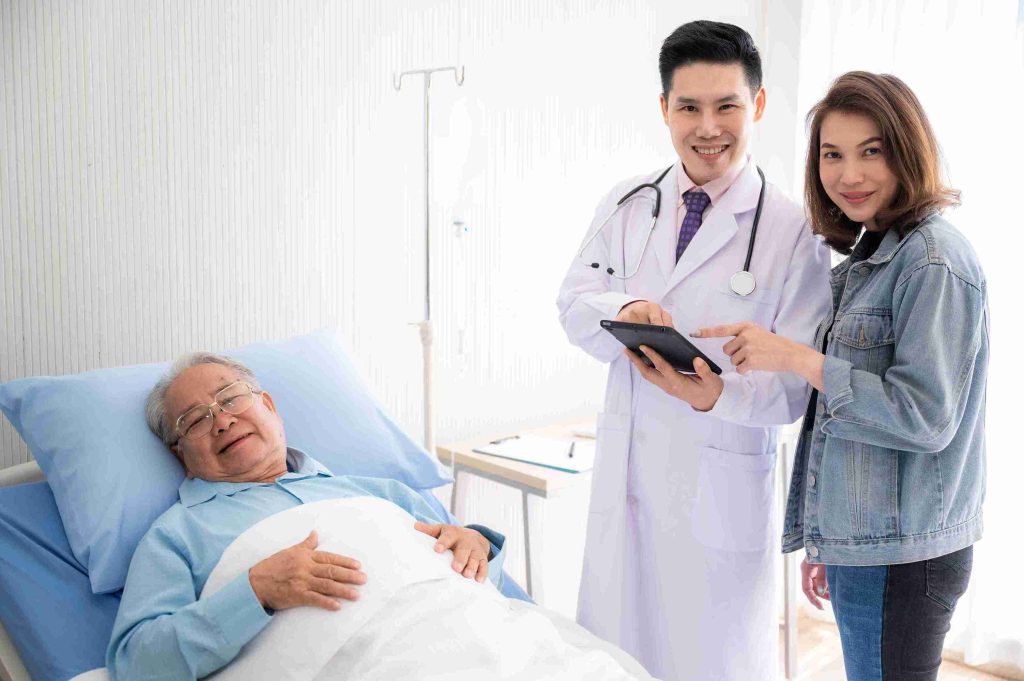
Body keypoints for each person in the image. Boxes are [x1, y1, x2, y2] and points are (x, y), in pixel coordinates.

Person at [556, 20, 831, 680]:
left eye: (727, 106)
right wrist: (623, 310)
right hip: (626, 474)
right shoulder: (628, 202)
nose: (708, 127)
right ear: (664, 110)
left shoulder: (794, 231)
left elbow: (794, 385)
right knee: (616, 658)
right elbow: (572, 303)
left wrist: (718, 393)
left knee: (711, 659)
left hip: (718, 489)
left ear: (758, 106)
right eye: (689, 108)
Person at [699, 71, 987, 680]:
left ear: (907, 151)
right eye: (833, 154)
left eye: (870, 152)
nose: (848, 175)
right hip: (874, 545)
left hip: (903, 557)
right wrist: (828, 540)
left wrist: (798, 358)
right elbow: (845, 424)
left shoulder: (932, 261)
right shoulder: (872, 256)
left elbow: (925, 417)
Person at [106, 353, 507, 679]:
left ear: (268, 406)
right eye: (195, 420)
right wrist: (254, 592)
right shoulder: (177, 535)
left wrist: (477, 548)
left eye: (230, 399)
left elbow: (485, 595)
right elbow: (136, 664)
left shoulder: (381, 492)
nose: (223, 421)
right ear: (181, 456)